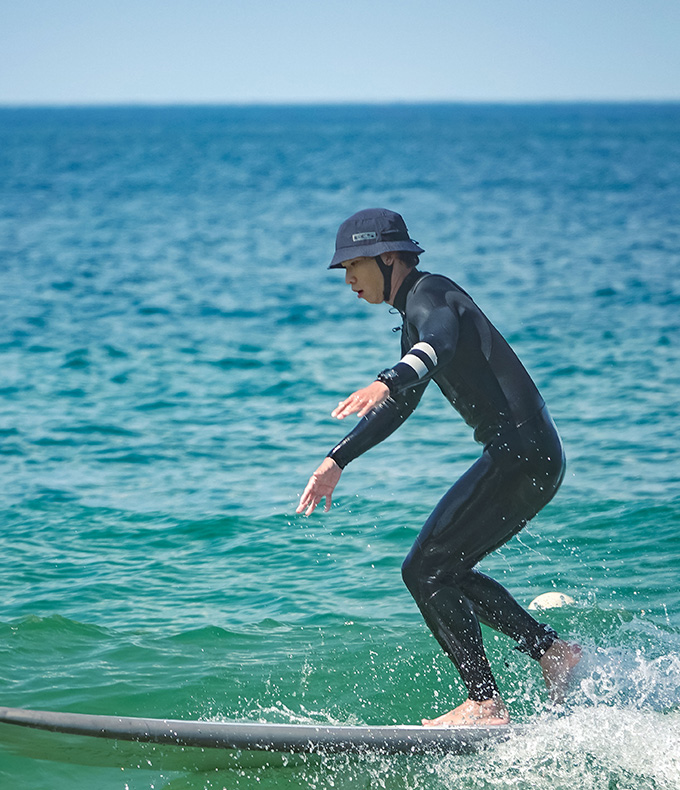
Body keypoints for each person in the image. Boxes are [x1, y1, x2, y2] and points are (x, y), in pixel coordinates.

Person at [296, 208, 581, 726]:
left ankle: (486, 703)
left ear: (387, 258)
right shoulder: (415, 316)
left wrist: (387, 377)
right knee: (442, 568)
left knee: (423, 569)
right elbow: (400, 405)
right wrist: (337, 459)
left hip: (520, 453)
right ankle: (552, 654)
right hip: (528, 454)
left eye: (354, 266)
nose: (349, 281)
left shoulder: (431, 296)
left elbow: (438, 345)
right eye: (343, 271)